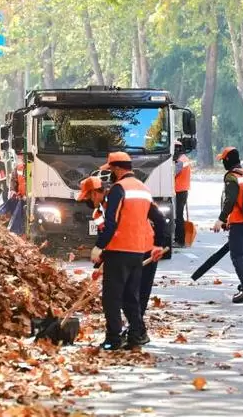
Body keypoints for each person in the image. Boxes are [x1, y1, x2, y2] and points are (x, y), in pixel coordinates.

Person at [90, 152, 166, 350]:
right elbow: (159, 220)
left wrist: (99, 246)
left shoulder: (118, 189)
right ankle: (137, 334)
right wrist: (159, 244)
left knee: (112, 297)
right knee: (130, 297)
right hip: (138, 250)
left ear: (116, 169)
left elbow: (111, 222)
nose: (110, 175)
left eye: (111, 170)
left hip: (119, 249)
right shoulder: (143, 189)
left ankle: (113, 339)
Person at [213, 147, 243, 303]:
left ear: (227, 160)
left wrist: (221, 219)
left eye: (223, 160)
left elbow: (230, 200)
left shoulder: (232, 177)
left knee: (237, 255)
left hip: (239, 222)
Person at [174, 141, 191, 247]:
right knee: (179, 215)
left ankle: (180, 240)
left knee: (178, 216)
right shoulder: (184, 158)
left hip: (179, 190)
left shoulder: (180, 161)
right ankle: (179, 239)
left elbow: (173, 173)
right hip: (183, 190)